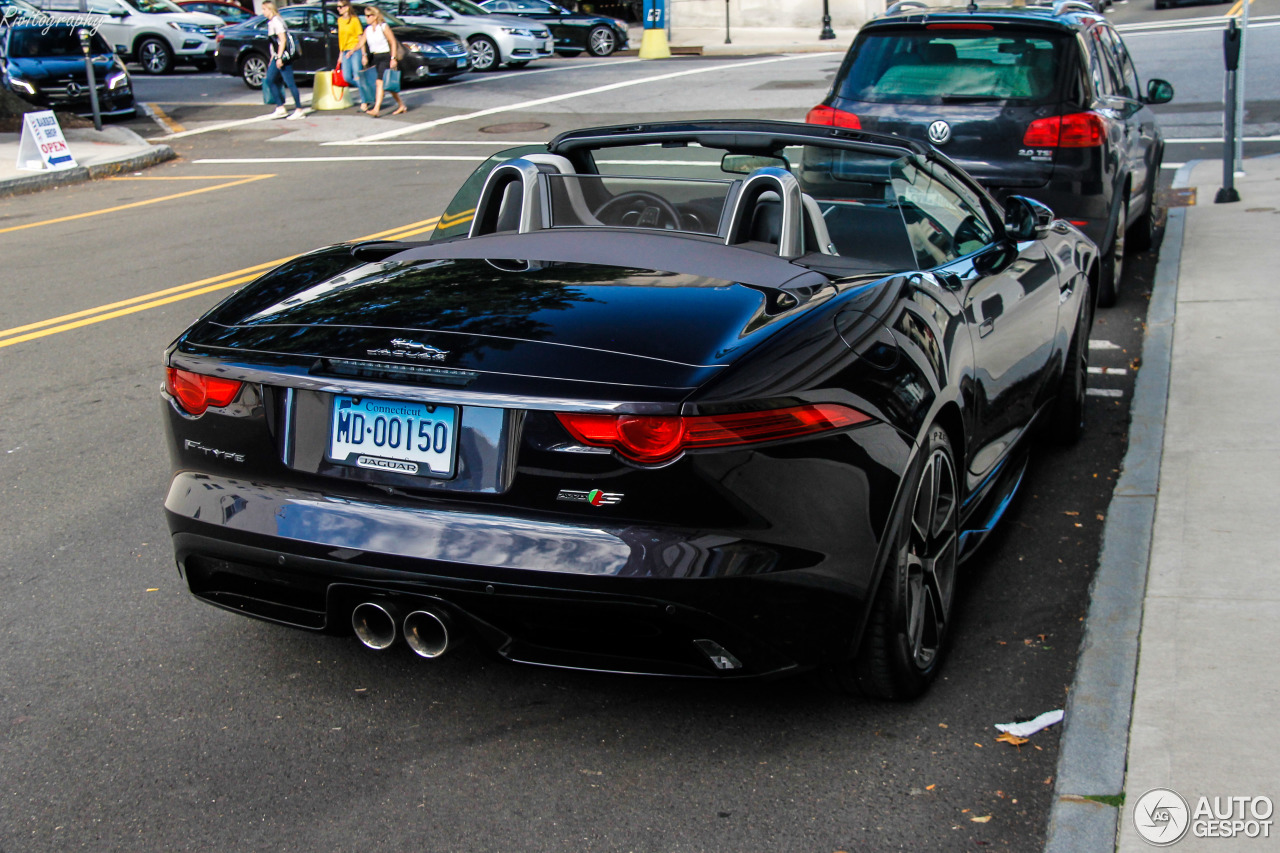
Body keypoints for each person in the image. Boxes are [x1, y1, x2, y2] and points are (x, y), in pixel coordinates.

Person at [357, 5, 406, 117]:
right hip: (375, 57)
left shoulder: (383, 27)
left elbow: (392, 42)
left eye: (369, 15)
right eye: (365, 16)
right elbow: (361, 43)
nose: (366, 18)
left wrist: (393, 58)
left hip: (385, 56)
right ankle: (401, 105)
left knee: (380, 82)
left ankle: (376, 109)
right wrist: (353, 52)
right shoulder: (368, 30)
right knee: (387, 85)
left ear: (375, 16)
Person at [262, 1, 305, 120]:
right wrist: (273, 58)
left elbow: (282, 40)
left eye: (264, 9)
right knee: (270, 79)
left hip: (283, 57)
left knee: (289, 82)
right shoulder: (271, 22)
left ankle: (299, 109)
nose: (263, 12)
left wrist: (279, 57)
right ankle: (280, 107)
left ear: (270, 10)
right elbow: (273, 44)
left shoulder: (277, 21)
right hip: (277, 56)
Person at [336, 0, 374, 111]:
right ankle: (368, 91)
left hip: (355, 50)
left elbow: (360, 38)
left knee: (358, 75)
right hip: (345, 51)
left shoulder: (354, 20)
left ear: (347, 7)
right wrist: (340, 54)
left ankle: (364, 101)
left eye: (341, 7)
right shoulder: (340, 21)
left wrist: (363, 54)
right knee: (347, 76)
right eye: (338, 7)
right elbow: (341, 39)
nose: (339, 9)